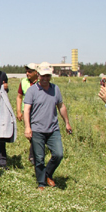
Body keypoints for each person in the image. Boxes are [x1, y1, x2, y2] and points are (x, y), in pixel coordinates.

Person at [24, 62, 72, 190]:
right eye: (43, 76)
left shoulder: (55, 89)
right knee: (39, 158)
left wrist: (67, 122)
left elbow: (61, 106)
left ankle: (48, 173)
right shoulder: (32, 91)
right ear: (38, 75)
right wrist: (27, 127)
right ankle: (41, 183)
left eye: (48, 76)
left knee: (58, 154)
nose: (45, 79)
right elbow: (27, 110)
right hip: (37, 129)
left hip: (53, 129)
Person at [16, 63, 39, 164]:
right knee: (30, 134)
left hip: (38, 112)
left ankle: (33, 156)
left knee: (36, 133)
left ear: (36, 72)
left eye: (30, 71)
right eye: (26, 71)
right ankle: (35, 152)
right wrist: (18, 111)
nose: (27, 73)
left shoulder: (41, 82)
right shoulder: (24, 82)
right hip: (27, 112)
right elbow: (19, 97)